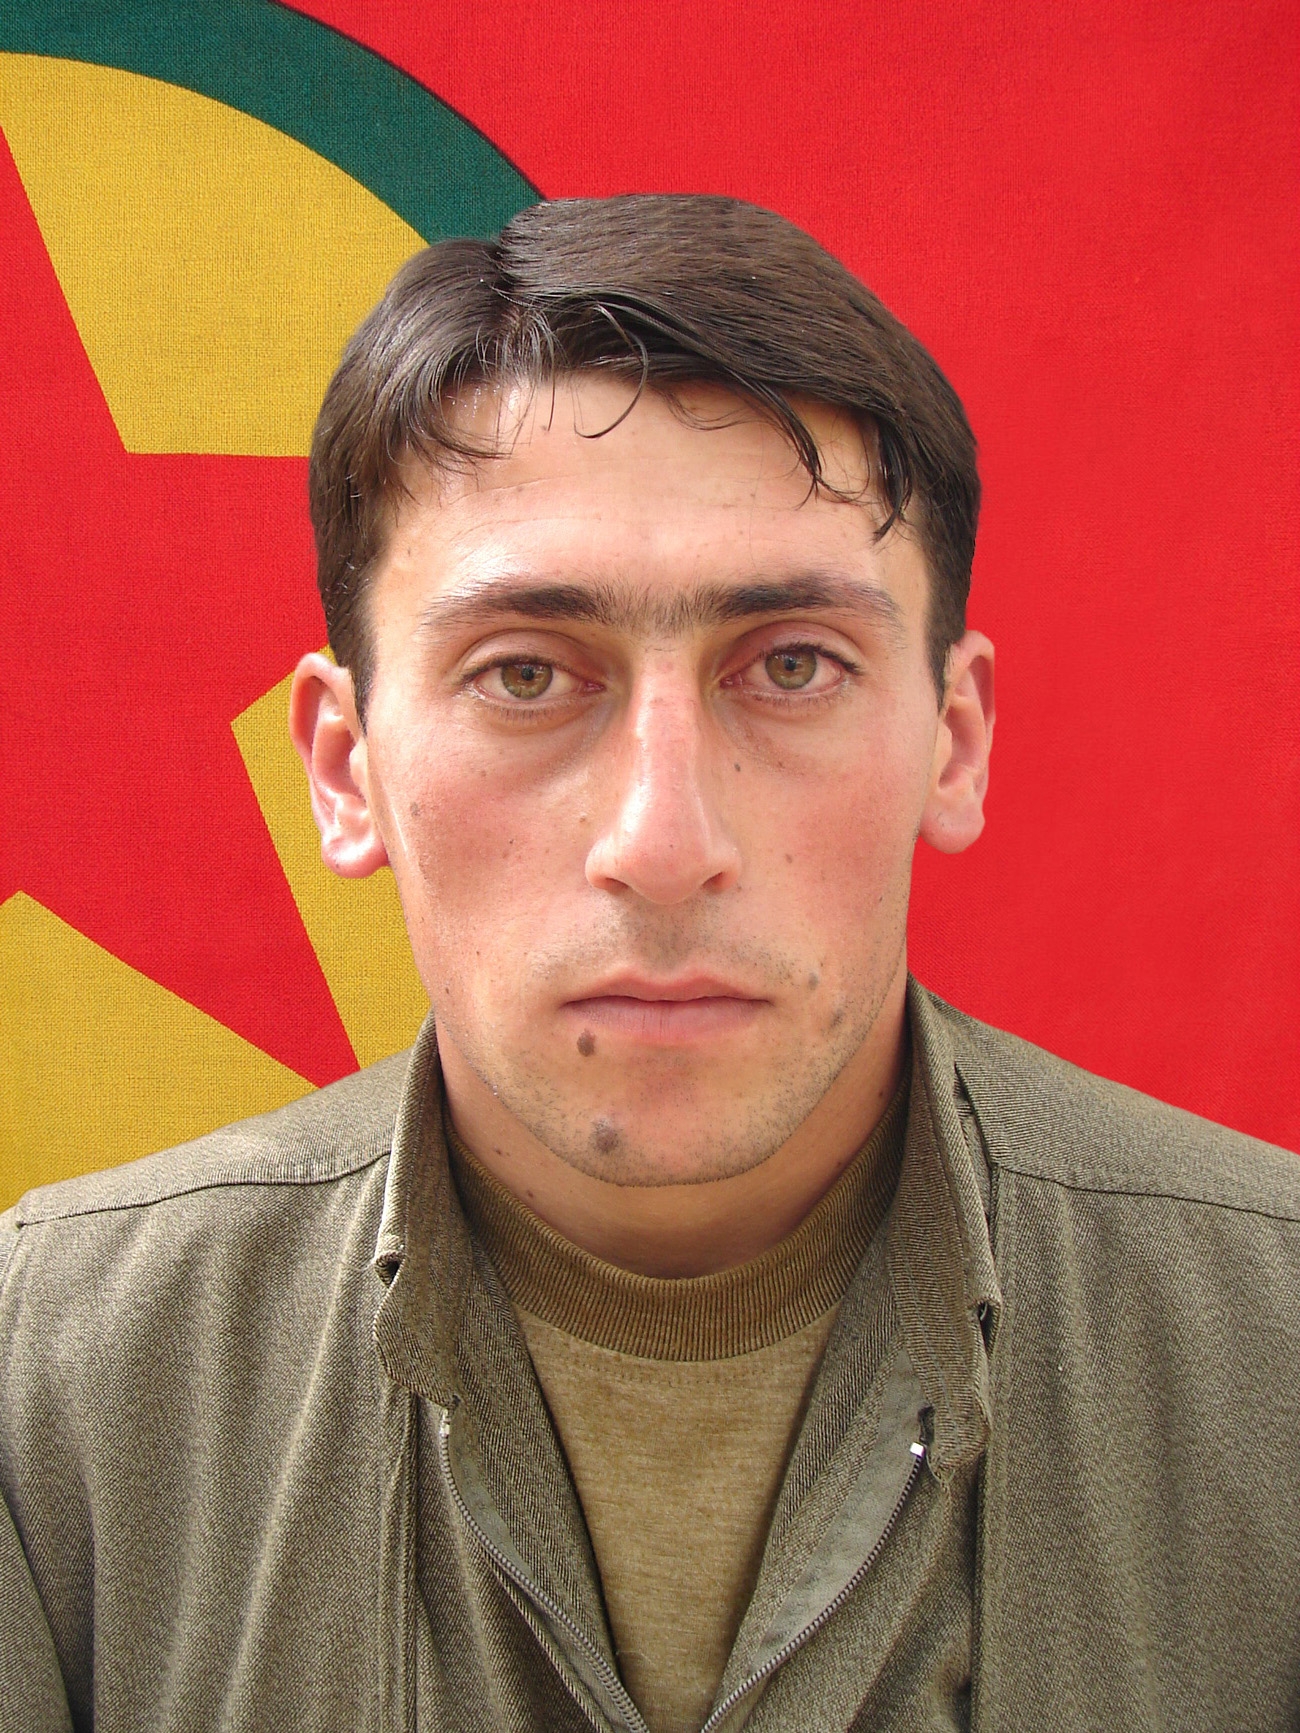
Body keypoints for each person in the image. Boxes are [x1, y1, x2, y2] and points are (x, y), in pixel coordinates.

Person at [1, 195, 1297, 1733]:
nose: (663, 842)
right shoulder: (46, 1390)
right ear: (346, 770)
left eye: (793, 665)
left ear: (953, 742)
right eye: (526, 674)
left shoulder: (1276, 1351)